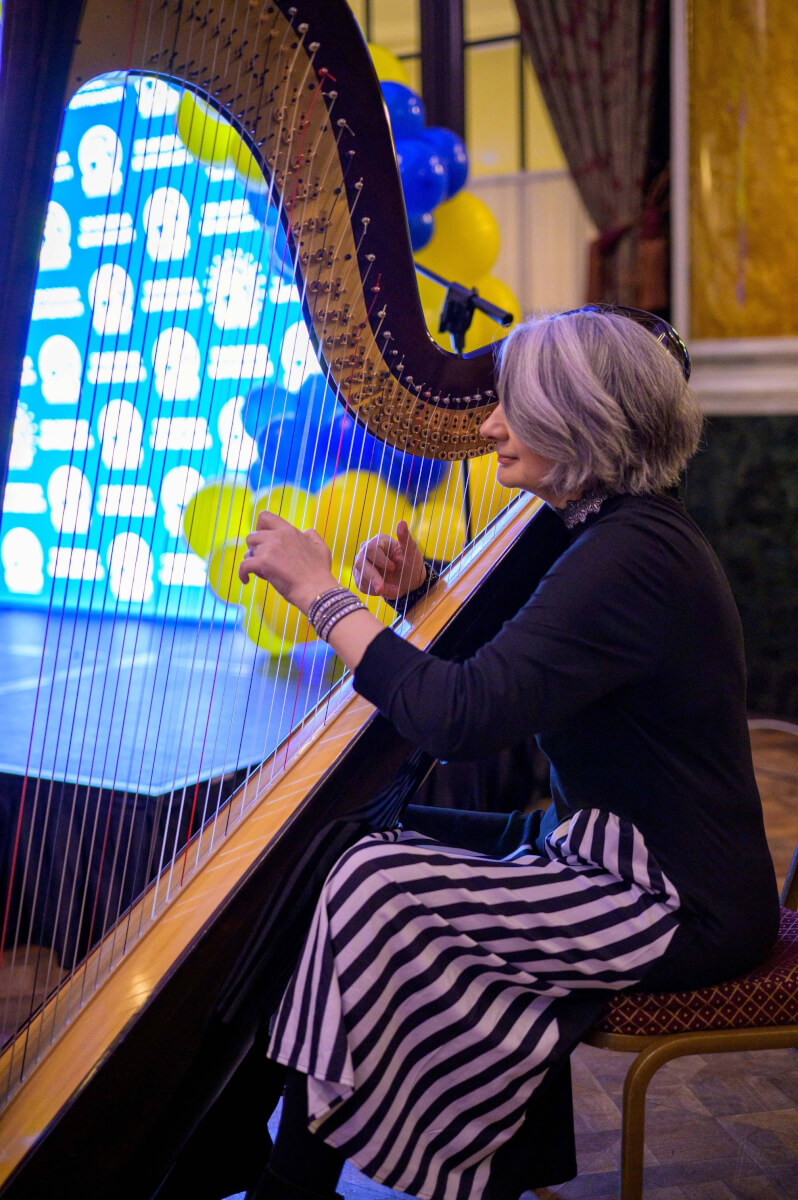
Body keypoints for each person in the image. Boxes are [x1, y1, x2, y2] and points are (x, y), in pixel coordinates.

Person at [173, 307, 780, 1200]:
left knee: (375, 883)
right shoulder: (613, 531)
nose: (490, 424)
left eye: (512, 404)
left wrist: (323, 597)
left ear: (578, 417)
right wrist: (419, 589)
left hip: (671, 900)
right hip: (603, 853)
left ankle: (290, 1183)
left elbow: (458, 718)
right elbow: (509, 671)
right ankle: (244, 1143)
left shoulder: (631, 557)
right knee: (342, 839)